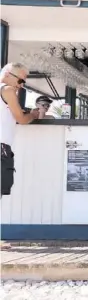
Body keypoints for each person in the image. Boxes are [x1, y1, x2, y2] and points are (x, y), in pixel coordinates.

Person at [1, 62, 38, 250]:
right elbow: (21, 119)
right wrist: (33, 114)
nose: (22, 85)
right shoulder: (7, 89)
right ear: (8, 74)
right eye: (21, 80)